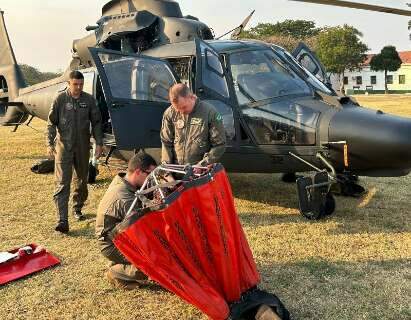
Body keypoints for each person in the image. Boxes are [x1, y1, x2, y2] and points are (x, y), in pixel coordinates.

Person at [47, 70, 103, 233]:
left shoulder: (89, 100)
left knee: (81, 180)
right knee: (62, 183)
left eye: (80, 84)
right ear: (68, 84)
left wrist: (98, 143)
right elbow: (51, 123)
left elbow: (97, 122)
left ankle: (77, 207)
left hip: (83, 147)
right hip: (64, 147)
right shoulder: (60, 99)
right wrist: (49, 143)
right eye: (75, 84)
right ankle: (62, 220)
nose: (78, 87)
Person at [95, 153, 157, 289]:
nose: (151, 179)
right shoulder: (124, 197)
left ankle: (122, 263)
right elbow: (143, 225)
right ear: (138, 172)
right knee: (155, 263)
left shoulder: (124, 181)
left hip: (118, 235)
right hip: (111, 244)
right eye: (149, 175)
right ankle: (117, 273)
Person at [160, 83, 226, 166]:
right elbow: (166, 142)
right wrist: (167, 168)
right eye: (177, 109)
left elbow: (219, 145)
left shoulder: (210, 113)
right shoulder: (170, 113)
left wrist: (203, 164)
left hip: (199, 171)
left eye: (184, 107)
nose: (181, 112)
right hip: (175, 170)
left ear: (191, 97)